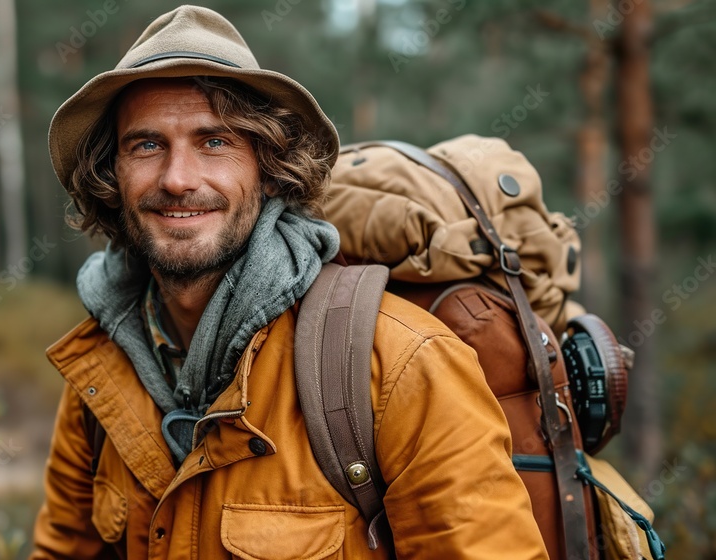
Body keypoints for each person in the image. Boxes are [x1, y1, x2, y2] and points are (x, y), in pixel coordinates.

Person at [31, 5, 548, 559]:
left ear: (270, 167)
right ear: (111, 175)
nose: (177, 179)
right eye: (147, 145)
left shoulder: (401, 366)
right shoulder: (101, 368)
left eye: (215, 142)